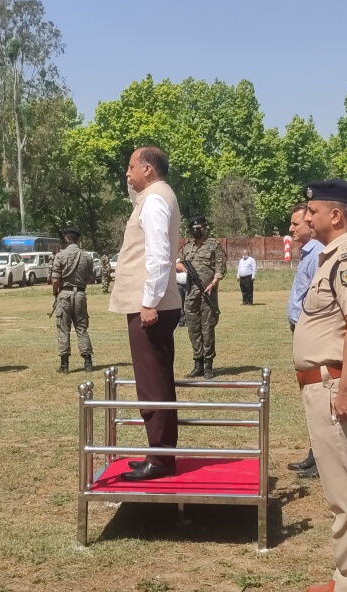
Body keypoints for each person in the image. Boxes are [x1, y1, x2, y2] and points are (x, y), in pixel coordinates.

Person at [295, 179, 347, 592]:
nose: (306, 217)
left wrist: (344, 390)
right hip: (324, 385)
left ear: (336, 215)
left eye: (312, 211)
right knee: (339, 489)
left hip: (333, 385)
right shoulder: (331, 259)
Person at [109, 147, 183, 482]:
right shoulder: (154, 196)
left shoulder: (154, 200)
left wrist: (149, 301)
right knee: (157, 381)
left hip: (150, 305)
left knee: (152, 384)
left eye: (131, 167)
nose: (127, 173)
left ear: (148, 169)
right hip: (153, 303)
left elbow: (158, 254)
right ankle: (160, 453)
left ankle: (161, 458)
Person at [286, 202, 325, 480]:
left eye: (295, 224)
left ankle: (322, 458)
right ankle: (316, 454)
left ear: (310, 226)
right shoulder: (308, 253)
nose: (291, 228)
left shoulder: (319, 254)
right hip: (302, 330)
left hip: (312, 331)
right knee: (311, 395)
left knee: (319, 394)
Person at [180, 215, 225, 379]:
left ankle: (208, 365)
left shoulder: (214, 245)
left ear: (205, 228)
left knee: (207, 329)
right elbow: (180, 264)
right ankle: (197, 363)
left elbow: (220, 268)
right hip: (190, 295)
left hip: (208, 295)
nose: (196, 231)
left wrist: (213, 283)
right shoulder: (186, 248)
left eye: (199, 228)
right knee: (193, 329)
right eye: (193, 229)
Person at [51, 227, 94, 373]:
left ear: (66, 239)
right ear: (77, 239)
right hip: (80, 294)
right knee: (82, 328)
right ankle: (88, 362)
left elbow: (55, 279)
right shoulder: (87, 257)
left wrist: (55, 293)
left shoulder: (60, 256)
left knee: (63, 329)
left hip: (65, 294)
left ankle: (64, 365)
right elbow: (90, 278)